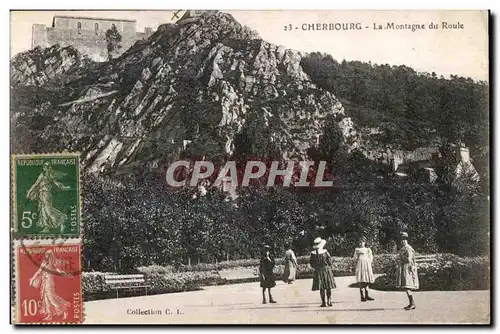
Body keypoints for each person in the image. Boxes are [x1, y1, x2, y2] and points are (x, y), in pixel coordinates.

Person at [26, 162, 71, 233]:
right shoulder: (42, 175)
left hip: (47, 195)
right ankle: (46, 228)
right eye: (44, 167)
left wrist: (64, 187)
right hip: (41, 195)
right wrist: (29, 192)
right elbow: (36, 184)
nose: (44, 168)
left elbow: (57, 184)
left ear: (48, 168)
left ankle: (61, 223)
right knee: (43, 210)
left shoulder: (50, 175)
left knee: (48, 211)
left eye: (45, 167)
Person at [29, 250, 71, 321]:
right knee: (46, 299)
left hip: (49, 281)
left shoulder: (53, 263)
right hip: (44, 282)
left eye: (47, 255)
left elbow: (58, 270)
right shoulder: (44, 263)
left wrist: (65, 274)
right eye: (46, 254)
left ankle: (64, 310)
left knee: (51, 298)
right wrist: (33, 279)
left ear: (50, 255)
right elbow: (39, 271)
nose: (46, 256)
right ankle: (49, 315)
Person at [310, 237, 336, 307]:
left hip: (318, 271)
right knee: (328, 286)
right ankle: (329, 301)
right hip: (326, 270)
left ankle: (323, 302)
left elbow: (312, 264)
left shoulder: (313, 253)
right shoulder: (325, 252)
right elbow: (330, 261)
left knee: (321, 287)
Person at [396, 232, 419, 310]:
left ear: (407, 240)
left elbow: (408, 259)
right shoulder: (403, 248)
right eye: (402, 239)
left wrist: (401, 258)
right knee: (406, 287)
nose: (403, 241)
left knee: (407, 286)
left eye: (404, 239)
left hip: (407, 268)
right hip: (404, 267)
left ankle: (412, 303)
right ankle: (411, 303)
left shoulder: (408, 248)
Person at [353, 236, 375, 302]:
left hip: (367, 265)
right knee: (361, 279)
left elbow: (371, 257)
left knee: (367, 279)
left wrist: (368, 262)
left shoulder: (368, 249)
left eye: (362, 242)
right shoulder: (357, 249)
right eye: (360, 242)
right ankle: (362, 296)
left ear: (364, 242)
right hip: (360, 265)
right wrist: (359, 260)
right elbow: (355, 258)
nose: (361, 243)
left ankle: (367, 295)